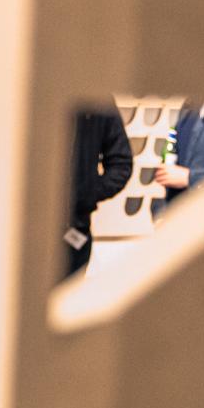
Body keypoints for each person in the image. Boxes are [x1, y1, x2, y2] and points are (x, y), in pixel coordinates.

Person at [63, 105, 133, 279]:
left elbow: (121, 164)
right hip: (18, 228)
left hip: (74, 230)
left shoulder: (97, 101)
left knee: (69, 300)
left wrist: (87, 193)